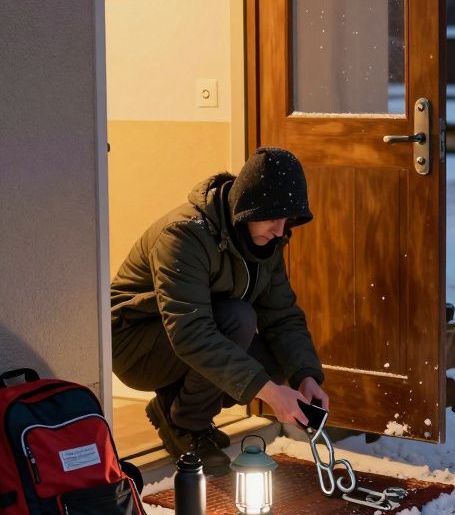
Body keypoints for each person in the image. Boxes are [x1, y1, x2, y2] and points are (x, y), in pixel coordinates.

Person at [110, 147, 329, 475]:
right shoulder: (183, 235)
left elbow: (282, 315)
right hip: (135, 346)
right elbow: (190, 333)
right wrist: (268, 392)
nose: (282, 231)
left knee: (275, 359)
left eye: (288, 221)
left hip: (185, 336)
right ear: (247, 207)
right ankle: (185, 424)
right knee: (238, 319)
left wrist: (307, 376)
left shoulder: (267, 242)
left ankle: (175, 405)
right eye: (273, 218)